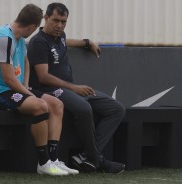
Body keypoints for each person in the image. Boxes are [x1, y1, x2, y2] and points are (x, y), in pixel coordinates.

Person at [0, 4, 78, 176]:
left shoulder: (19, 38)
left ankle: (53, 160)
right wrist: (29, 94)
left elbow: (26, 62)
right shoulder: (3, 40)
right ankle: (43, 163)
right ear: (31, 27)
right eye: (36, 28)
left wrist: (26, 86)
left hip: (11, 89)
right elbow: (8, 78)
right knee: (41, 106)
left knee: (57, 105)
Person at [27, 2, 126, 174]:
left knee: (116, 109)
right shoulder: (38, 42)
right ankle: (98, 160)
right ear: (46, 18)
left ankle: (86, 157)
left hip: (71, 89)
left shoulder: (61, 36)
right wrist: (74, 87)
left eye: (63, 22)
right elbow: (43, 77)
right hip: (50, 91)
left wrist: (87, 42)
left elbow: (67, 41)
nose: (59, 26)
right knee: (84, 108)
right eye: (56, 20)